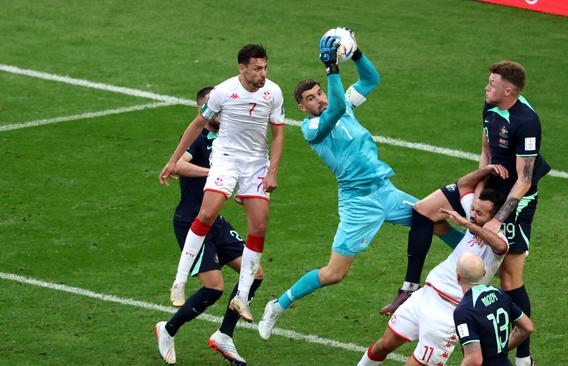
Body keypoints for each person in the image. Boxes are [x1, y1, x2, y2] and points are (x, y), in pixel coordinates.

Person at [257, 31, 459, 340]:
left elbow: (370, 81)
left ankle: (482, 258)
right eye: (310, 99)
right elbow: (337, 107)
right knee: (334, 274)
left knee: (435, 218)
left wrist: (356, 54)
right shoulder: (312, 129)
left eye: (319, 93)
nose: (319, 100)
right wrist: (332, 70)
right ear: (301, 108)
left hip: (385, 192)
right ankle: (278, 305)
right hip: (358, 204)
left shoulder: (342, 103)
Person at [159, 44, 285, 323]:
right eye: (257, 68)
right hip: (226, 159)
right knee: (207, 213)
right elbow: (196, 124)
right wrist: (173, 160)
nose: (263, 73)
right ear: (242, 67)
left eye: (265, 67)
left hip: (255, 165)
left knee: (259, 226)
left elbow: (277, 135)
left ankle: (242, 296)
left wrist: (272, 171)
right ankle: (179, 281)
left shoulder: (273, 92)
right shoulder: (223, 91)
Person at [154, 87, 264, 366]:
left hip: (216, 222)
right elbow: (179, 166)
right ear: (203, 112)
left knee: (255, 273)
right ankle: (167, 329)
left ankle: (224, 334)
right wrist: (214, 173)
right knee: (214, 287)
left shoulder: (227, 139)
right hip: (191, 222)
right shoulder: (200, 140)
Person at [357, 178, 509, 366]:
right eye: (473, 210)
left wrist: (467, 224)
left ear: (493, 217)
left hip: (448, 313)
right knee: (382, 345)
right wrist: (486, 170)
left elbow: (501, 247)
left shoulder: (497, 241)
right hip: (425, 296)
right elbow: (466, 186)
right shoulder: (475, 219)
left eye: (479, 213)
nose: (473, 215)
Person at [478, 60, 551, 366]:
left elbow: (524, 179)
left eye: (492, 84)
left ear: (509, 90)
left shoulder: (526, 121)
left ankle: (523, 356)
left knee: (511, 280)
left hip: (517, 203)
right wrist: (478, 194)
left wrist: (497, 219)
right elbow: (486, 150)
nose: (486, 87)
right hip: (493, 190)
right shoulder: (490, 106)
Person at [453, 253, 535, 366]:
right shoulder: (499, 294)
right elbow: (527, 327)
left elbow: (474, 359)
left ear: (458, 277)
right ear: (484, 273)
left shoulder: (464, 311)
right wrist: (500, 349)